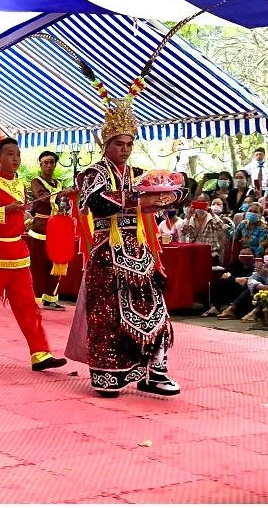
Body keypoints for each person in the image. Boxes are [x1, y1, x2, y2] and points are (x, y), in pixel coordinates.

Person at [67, 123, 183, 398]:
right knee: (107, 314)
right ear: (106, 144)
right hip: (108, 250)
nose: (125, 150)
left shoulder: (139, 175)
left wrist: (165, 199)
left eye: (129, 145)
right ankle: (108, 375)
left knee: (155, 308)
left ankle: (154, 370)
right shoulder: (91, 174)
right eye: (120, 144)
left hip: (140, 250)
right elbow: (97, 204)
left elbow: (157, 200)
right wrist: (138, 200)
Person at [0, 137, 67, 372]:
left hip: (18, 253)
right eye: (10, 154)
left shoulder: (21, 185)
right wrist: (5, 211)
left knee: (28, 305)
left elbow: (19, 217)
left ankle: (40, 353)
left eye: (18, 154)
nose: (16, 158)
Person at [25, 150, 63, 309]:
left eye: (51, 162)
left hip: (56, 229)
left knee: (54, 264)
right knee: (37, 265)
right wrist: (62, 195)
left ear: (55, 164)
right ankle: (33, 298)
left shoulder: (59, 183)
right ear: (40, 164)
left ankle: (51, 298)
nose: (49, 165)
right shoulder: (36, 181)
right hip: (39, 228)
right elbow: (43, 197)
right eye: (45, 162)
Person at [180, 193, 231, 264]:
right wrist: (188, 216)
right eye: (198, 201)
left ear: (208, 203)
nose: (200, 204)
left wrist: (212, 213)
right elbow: (183, 232)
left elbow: (220, 228)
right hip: (194, 252)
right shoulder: (190, 218)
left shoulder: (212, 217)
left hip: (210, 252)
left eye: (203, 202)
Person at [212, 248, 256, 318]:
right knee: (222, 282)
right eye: (242, 254)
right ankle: (216, 307)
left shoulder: (255, 266)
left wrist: (232, 278)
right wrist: (236, 279)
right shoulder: (235, 264)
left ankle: (231, 309)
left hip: (245, 290)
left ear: (253, 256)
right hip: (234, 287)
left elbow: (246, 281)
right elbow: (225, 275)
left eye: (248, 254)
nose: (245, 256)